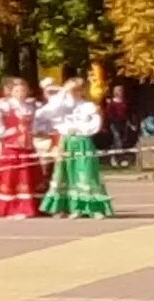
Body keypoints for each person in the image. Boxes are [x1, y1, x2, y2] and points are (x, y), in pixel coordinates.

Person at [39, 89, 114, 218]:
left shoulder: (88, 106)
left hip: (83, 140)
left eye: (76, 91)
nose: (73, 94)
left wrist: (81, 129)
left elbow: (95, 124)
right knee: (69, 174)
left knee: (87, 173)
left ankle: (94, 208)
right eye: (70, 91)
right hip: (67, 141)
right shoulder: (62, 108)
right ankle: (75, 208)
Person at [0, 77, 42, 217]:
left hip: (27, 146)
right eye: (17, 90)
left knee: (26, 176)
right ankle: (7, 208)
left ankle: (26, 208)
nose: (20, 93)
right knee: (9, 176)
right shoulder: (5, 105)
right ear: (11, 92)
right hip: (11, 145)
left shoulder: (31, 106)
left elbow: (38, 123)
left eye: (23, 90)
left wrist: (35, 132)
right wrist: (4, 132)